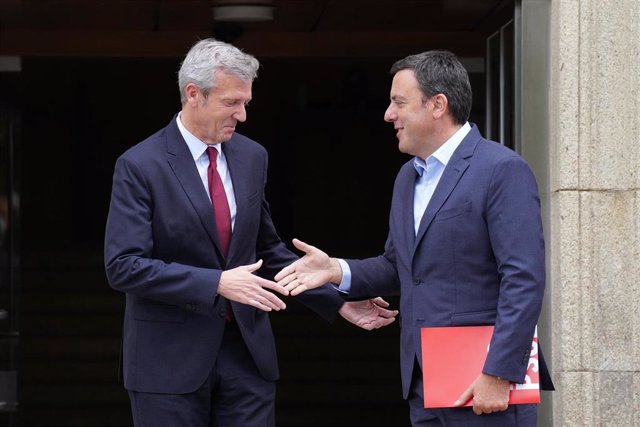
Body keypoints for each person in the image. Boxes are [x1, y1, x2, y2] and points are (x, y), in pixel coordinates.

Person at [104, 38, 397, 427]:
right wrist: (216, 283)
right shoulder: (140, 164)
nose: (241, 114)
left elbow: (266, 250)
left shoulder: (251, 156)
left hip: (247, 355)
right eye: (231, 103)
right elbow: (123, 266)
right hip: (167, 361)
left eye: (245, 102)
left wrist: (335, 301)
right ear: (193, 94)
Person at [275, 50, 554, 426]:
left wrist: (499, 372)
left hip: (485, 384)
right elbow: (400, 265)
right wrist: (335, 271)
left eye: (399, 102)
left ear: (438, 104)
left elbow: (524, 279)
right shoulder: (408, 177)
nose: (389, 114)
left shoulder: (502, 170)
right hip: (424, 383)